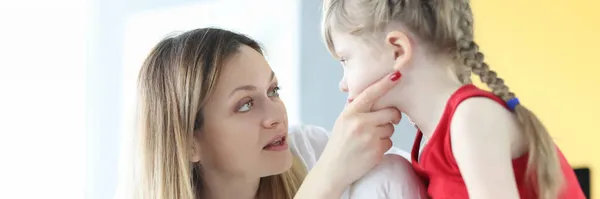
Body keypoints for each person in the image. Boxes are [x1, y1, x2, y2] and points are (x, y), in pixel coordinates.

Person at [320, 0, 585, 199]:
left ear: (397, 50)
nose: (343, 84)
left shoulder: (471, 118)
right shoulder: (428, 139)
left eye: (345, 60)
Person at [133, 28, 425, 199]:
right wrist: (327, 177)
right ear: (188, 142)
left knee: (391, 169)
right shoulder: (323, 166)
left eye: (273, 90)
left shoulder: (305, 147)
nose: (275, 115)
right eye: (245, 104)